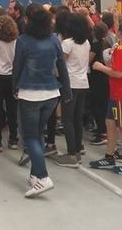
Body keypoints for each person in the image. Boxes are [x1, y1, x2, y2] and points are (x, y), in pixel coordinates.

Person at [13, 6, 71, 197]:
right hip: (52, 94)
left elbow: (18, 67)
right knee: (38, 134)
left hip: (30, 94)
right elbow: (62, 67)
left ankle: (44, 177)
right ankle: (35, 176)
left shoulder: (23, 41)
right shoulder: (54, 40)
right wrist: (66, 91)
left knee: (29, 138)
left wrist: (15, 88)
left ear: (28, 21)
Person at [90, 19, 122, 178]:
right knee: (110, 123)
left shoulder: (121, 49)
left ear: (121, 33)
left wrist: (101, 67)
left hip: (121, 93)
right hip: (121, 92)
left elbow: (117, 73)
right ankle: (109, 156)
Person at [53, 13, 91, 168]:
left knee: (67, 118)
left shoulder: (68, 43)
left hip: (70, 83)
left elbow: (60, 63)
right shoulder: (86, 42)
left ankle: (70, 154)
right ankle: (76, 150)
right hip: (83, 83)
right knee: (77, 118)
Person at [0, 15, 18, 151]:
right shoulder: (17, 42)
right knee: (12, 109)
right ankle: (13, 138)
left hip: (0, 76)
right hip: (12, 77)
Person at [88, 22, 111, 146]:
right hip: (106, 77)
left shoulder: (95, 45)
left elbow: (88, 60)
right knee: (104, 105)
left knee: (97, 106)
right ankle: (103, 129)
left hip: (97, 78)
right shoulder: (108, 44)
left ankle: (102, 132)